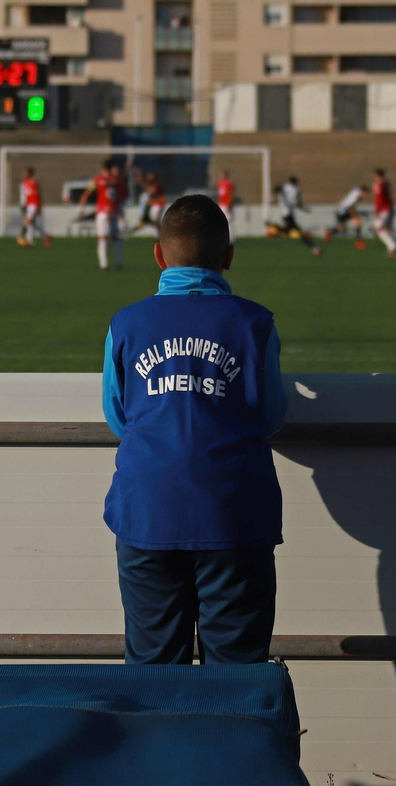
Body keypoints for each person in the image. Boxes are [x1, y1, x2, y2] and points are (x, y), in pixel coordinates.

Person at [100, 194, 287, 665]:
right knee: (236, 677)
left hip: (147, 512)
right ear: (228, 257)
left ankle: (161, 742)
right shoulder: (255, 322)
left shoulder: (126, 323)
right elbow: (270, 417)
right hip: (234, 513)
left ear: (159, 256)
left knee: (155, 675)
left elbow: (118, 418)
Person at [77, 157, 125, 270]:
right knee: (116, 238)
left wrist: (81, 208)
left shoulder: (98, 180)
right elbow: (121, 195)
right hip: (114, 211)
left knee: (102, 238)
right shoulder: (116, 180)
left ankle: (104, 264)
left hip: (103, 212)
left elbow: (87, 193)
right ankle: (118, 263)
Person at [274, 176, 321, 256]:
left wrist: (277, 195)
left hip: (285, 213)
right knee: (297, 232)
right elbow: (298, 202)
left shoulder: (284, 187)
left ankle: (273, 230)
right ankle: (314, 249)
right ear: (296, 182)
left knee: (290, 231)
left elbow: (276, 188)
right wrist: (304, 209)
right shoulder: (296, 190)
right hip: (288, 214)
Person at [18, 166, 50, 248]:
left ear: (30, 174)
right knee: (33, 223)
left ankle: (29, 241)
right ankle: (46, 236)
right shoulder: (25, 183)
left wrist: (38, 206)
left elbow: (36, 195)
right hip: (29, 205)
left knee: (29, 222)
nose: (24, 174)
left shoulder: (33, 183)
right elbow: (26, 196)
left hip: (34, 205)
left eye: (26, 173)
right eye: (24, 172)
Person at [371, 168, 396, 258]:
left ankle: (392, 245)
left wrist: (377, 211)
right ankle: (391, 251)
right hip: (389, 208)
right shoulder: (387, 183)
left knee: (378, 229)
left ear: (377, 176)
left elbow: (379, 199)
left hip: (383, 210)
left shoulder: (378, 185)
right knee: (386, 229)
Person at [131, 170, 169, 234]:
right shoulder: (150, 186)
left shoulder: (157, 186)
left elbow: (162, 198)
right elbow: (142, 183)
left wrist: (151, 201)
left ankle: (144, 222)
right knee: (154, 222)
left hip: (157, 206)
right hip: (152, 207)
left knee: (154, 220)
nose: (148, 177)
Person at [215, 169, 236, 243]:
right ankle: (222, 237)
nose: (221, 176)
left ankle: (231, 238)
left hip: (227, 205)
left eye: (223, 174)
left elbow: (230, 194)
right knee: (220, 221)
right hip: (221, 204)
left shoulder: (229, 184)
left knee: (229, 221)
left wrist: (229, 204)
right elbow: (220, 195)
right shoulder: (219, 183)